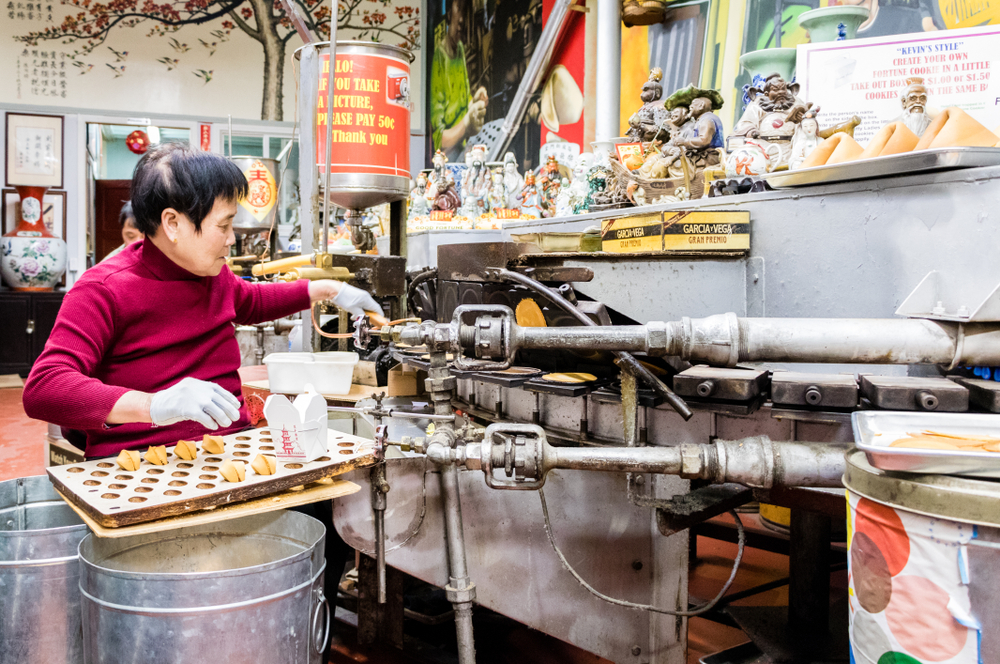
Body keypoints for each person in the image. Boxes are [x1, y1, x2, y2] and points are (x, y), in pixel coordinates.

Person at [23, 143, 382, 459]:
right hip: (139, 465)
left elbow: (252, 300)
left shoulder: (211, 275)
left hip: (231, 449)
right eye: (224, 226)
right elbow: (45, 388)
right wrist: (155, 405)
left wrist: (328, 291)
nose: (231, 241)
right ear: (173, 224)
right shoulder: (103, 290)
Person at [431, 0, 488, 161]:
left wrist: (476, 100)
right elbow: (439, 138)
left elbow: (463, 104)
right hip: (448, 155)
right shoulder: (439, 57)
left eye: (465, 10)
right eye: (459, 10)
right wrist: (466, 124)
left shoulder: (460, 49)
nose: (462, 19)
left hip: (465, 147)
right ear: (449, 15)